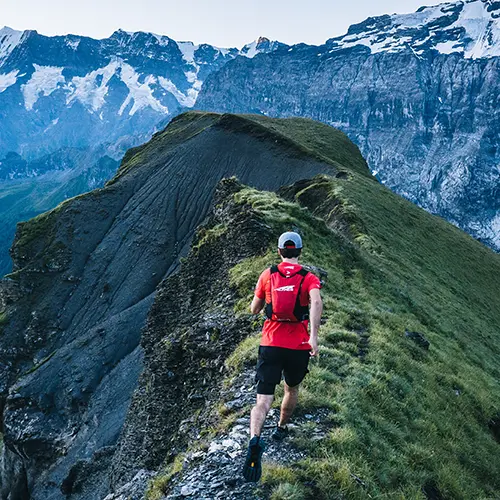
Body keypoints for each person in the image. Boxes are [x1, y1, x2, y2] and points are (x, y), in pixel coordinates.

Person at [242, 231, 323, 482]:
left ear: (279, 251)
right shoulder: (309, 278)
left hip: (270, 343)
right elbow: (316, 303)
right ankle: (281, 427)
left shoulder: (267, 274)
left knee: (262, 400)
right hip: (298, 346)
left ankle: (255, 439)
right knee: (291, 389)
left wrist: (260, 302)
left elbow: (254, 310)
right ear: (299, 251)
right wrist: (314, 337)